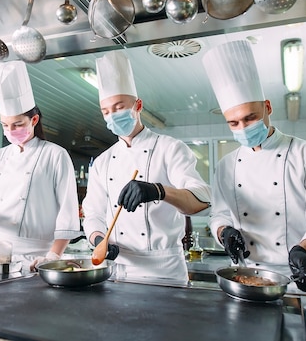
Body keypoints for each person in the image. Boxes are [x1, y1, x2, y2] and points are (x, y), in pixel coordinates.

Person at [202, 39, 306, 293]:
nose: (243, 128)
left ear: (267, 107)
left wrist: (304, 251)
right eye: (233, 123)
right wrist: (224, 232)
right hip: (249, 279)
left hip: (300, 278)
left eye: (250, 117)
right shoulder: (226, 166)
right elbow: (219, 214)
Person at [81, 50, 212, 284]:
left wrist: (159, 190)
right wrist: (98, 238)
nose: (112, 115)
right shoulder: (102, 161)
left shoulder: (170, 148)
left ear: (138, 105)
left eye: (119, 107)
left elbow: (202, 200)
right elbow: (92, 213)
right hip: (119, 271)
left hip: (166, 270)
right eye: (106, 111)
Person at [0, 60, 81, 272]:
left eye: (18, 124)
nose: (11, 131)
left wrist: (53, 256)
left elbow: (67, 213)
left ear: (34, 120)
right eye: (5, 125)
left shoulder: (56, 155)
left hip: (38, 258)